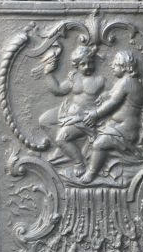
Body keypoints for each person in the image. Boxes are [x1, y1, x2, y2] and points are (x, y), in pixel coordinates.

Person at [36, 44, 105, 177]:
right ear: (77, 65)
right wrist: (48, 73)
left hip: (84, 117)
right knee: (44, 120)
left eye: (90, 63)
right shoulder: (74, 78)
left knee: (61, 138)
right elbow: (58, 90)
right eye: (83, 64)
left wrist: (105, 96)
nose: (87, 67)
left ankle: (79, 162)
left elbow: (115, 96)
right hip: (68, 112)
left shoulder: (100, 80)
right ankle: (66, 151)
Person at [81, 50, 143, 183]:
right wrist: (105, 95)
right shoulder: (126, 81)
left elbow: (113, 102)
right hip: (116, 126)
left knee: (98, 144)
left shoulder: (126, 82)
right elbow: (114, 94)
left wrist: (96, 114)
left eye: (115, 64)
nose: (112, 66)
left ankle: (92, 173)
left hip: (124, 130)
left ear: (124, 67)